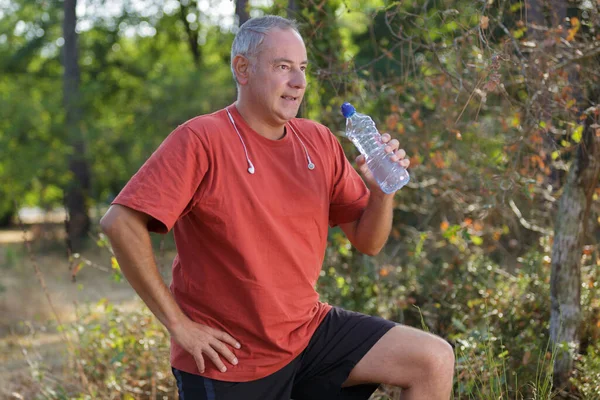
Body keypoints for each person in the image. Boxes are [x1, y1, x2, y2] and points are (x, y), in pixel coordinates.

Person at [100, 15, 454, 400]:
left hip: (307, 333)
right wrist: (180, 326)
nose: (298, 82)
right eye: (283, 67)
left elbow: (369, 242)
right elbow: (120, 223)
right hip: (230, 360)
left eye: (302, 69)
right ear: (243, 69)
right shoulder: (201, 138)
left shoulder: (317, 140)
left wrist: (383, 191)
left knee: (432, 360)